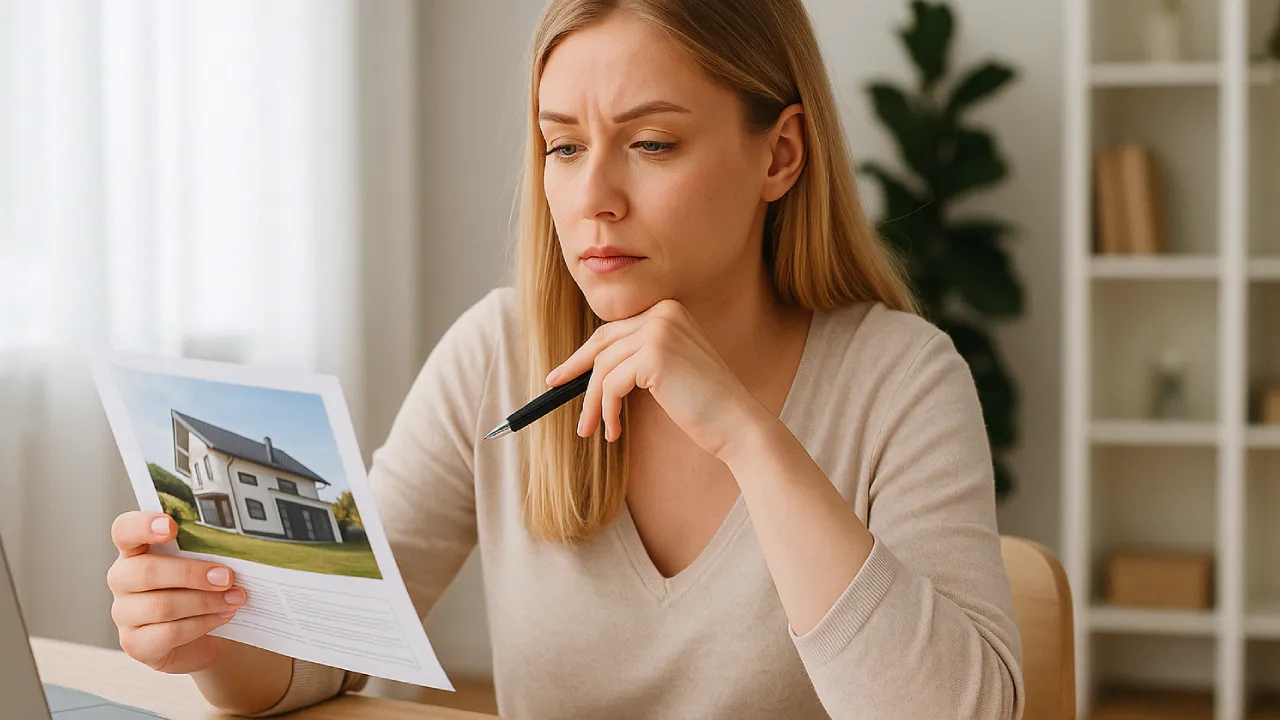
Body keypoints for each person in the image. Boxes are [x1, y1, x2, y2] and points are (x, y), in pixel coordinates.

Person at [105, 1, 1024, 718]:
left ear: (779, 155)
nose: (593, 198)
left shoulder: (903, 379)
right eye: (564, 146)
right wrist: (216, 638)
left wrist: (749, 437)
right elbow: (338, 650)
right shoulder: (497, 355)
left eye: (653, 144)